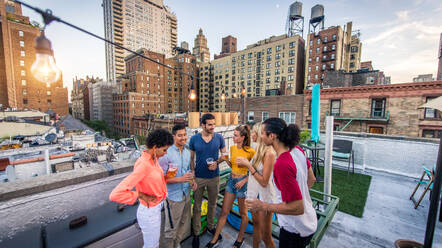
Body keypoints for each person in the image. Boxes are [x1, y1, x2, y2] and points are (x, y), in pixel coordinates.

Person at [246, 118, 317, 248]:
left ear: (272, 136)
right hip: (309, 221)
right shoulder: (298, 151)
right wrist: (297, 194)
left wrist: (263, 206)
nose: (261, 136)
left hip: (295, 229)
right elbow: (312, 179)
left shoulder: (282, 164)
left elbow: (297, 207)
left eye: (262, 133)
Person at [109, 129, 174, 248]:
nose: (166, 153)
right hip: (149, 212)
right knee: (152, 246)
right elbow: (115, 194)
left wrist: (164, 177)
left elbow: (150, 181)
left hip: (156, 208)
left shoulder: (154, 159)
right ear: (155, 148)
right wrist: (140, 195)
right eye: (164, 150)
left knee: (153, 244)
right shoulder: (144, 164)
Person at [206, 125, 255, 248]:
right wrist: (223, 160)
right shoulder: (232, 148)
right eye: (233, 134)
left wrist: (244, 181)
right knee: (224, 212)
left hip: (242, 184)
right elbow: (232, 165)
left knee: (244, 214)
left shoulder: (251, 151)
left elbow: (255, 172)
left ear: (242, 137)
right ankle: (215, 239)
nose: (233, 137)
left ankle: (239, 239)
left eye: (235, 135)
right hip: (231, 181)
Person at [236, 123, 276, 248]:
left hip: (264, 197)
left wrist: (248, 165)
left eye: (254, 132)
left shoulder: (269, 153)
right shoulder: (257, 148)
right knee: (256, 224)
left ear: (260, 135)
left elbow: (264, 181)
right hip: (253, 194)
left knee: (266, 236)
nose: (251, 134)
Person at [190, 113, 226, 248]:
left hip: (214, 177)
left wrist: (217, 162)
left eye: (214, 124)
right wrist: (192, 176)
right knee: (197, 207)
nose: (213, 127)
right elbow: (191, 159)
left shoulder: (219, 137)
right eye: (210, 124)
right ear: (203, 125)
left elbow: (225, 155)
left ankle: (211, 227)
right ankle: (196, 233)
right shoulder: (194, 139)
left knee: (212, 204)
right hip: (198, 177)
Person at [158, 124, 197, 248]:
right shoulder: (166, 154)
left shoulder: (187, 152)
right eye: (180, 135)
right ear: (173, 136)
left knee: (183, 222)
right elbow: (161, 179)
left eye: (185, 135)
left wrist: (192, 181)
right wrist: (181, 179)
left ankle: (177, 244)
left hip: (186, 195)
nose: (183, 138)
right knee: (170, 230)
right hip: (173, 198)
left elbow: (187, 171)